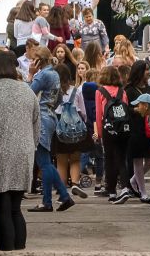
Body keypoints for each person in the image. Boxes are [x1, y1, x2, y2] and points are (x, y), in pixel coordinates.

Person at [0, 51, 40, 251]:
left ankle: (5, 252)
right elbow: (36, 125)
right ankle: (19, 250)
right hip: (24, 153)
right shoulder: (26, 90)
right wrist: (31, 147)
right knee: (15, 208)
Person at [26, 46, 75, 213]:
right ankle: (52, 199)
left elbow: (28, 94)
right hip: (51, 115)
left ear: (40, 60)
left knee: (44, 162)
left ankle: (59, 197)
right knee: (45, 160)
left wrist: (31, 75)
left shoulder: (42, 74)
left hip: (41, 117)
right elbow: (60, 97)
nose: (32, 62)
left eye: (34, 59)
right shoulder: (54, 73)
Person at [94, 65, 132, 204]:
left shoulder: (100, 92)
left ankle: (112, 191)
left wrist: (99, 133)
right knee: (122, 159)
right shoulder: (122, 91)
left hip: (108, 129)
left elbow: (99, 114)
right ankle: (125, 187)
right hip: (123, 128)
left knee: (109, 160)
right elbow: (126, 110)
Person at [52, 64, 89, 199]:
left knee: (61, 160)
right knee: (75, 158)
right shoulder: (77, 90)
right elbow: (83, 112)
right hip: (75, 129)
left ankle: (62, 189)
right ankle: (74, 183)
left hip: (59, 128)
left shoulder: (54, 91)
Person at [124, 61, 150, 202]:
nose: (149, 73)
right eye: (146, 70)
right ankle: (143, 192)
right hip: (134, 128)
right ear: (139, 72)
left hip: (148, 128)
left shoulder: (148, 88)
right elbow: (125, 109)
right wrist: (136, 110)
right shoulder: (129, 90)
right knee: (137, 160)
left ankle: (134, 180)